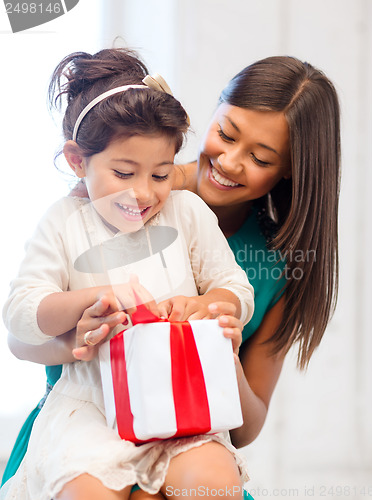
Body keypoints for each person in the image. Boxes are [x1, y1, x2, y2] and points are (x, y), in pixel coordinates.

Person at [2, 54, 341, 498]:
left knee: (208, 482)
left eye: (260, 157)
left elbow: (247, 423)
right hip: (86, 421)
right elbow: (23, 328)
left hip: (188, 421)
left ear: (291, 168)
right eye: (225, 134)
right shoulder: (102, 196)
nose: (231, 162)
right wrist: (75, 336)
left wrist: (217, 333)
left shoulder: (258, 253)